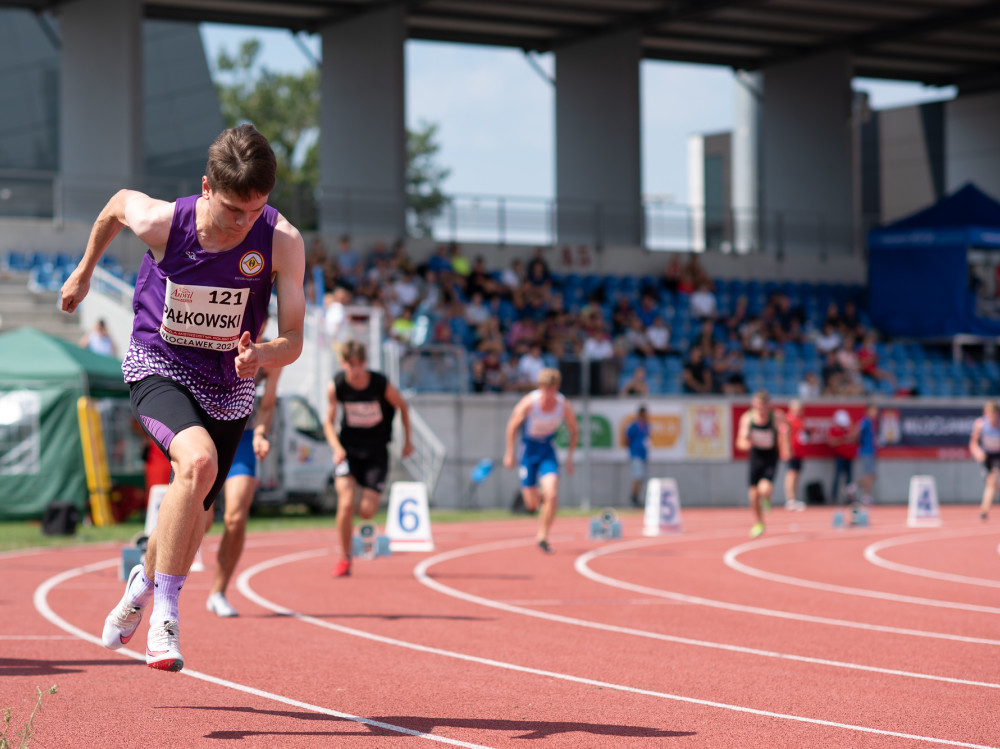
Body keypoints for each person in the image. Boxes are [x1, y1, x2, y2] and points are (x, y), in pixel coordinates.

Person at [61, 124, 306, 672]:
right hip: (159, 363)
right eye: (231, 211)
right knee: (197, 463)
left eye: (254, 210)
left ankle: (141, 586)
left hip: (230, 384)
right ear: (205, 187)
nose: (243, 224)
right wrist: (84, 271)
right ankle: (166, 615)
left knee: (196, 513)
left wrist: (262, 355)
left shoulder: (282, 240)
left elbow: (295, 339)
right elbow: (116, 205)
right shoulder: (164, 222)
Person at [323, 340, 414, 577]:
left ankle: (358, 539)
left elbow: (403, 406)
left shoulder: (380, 384)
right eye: (350, 364)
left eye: (360, 364)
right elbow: (328, 422)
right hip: (348, 451)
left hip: (376, 452)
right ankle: (344, 558)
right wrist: (336, 447)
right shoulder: (337, 385)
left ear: (365, 362)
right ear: (343, 363)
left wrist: (408, 441)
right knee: (345, 503)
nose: (355, 369)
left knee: (366, 511)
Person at [204, 359, 282, 617]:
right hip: (206, 432)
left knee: (236, 518)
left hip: (244, 438)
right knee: (200, 521)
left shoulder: (272, 356)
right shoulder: (219, 332)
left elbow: (268, 405)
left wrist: (261, 434)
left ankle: (218, 592)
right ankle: (155, 575)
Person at [503, 367, 579, 553]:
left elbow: (574, 431)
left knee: (552, 494)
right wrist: (510, 452)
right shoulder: (530, 403)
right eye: (545, 389)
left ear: (557, 388)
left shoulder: (563, 405)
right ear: (540, 387)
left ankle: (543, 536)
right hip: (528, 450)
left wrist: (569, 458)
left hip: (547, 450)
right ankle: (542, 497)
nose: (548, 394)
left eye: (552, 390)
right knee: (531, 504)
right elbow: (512, 426)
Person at [735, 391, 789, 538]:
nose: (760, 410)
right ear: (753, 405)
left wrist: (786, 447)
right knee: (753, 496)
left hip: (770, 456)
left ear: (768, 406)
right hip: (755, 456)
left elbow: (786, 429)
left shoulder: (776, 417)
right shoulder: (747, 419)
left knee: (764, 488)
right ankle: (759, 522)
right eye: (757, 406)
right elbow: (739, 442)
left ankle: (767, 498)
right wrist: (746, 443)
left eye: (763, 406)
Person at [968, 400, 1000, 522]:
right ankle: (984, 510)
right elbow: (973, 443)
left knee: (992, 481)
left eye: (994, 415)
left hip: (999, 454)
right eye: (989, 415)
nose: (991, 418)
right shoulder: (980, 424)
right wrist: (977, 452)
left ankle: (984, 511)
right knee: (990, 484)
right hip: (987, 456)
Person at [828, 409, 859, 504]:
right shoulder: (834, 430)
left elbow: (856, 440)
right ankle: (833, 498)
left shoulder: (849, 429)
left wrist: (853, 437)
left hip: (849, 457)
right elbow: (832, 442)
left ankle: (849, 499)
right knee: (837, 477)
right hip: (840, 457)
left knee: (849, 480)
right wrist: (843, 439)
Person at [782, 399, 807, 511]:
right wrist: (787, 450)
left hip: (799, 451)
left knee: (797, 474)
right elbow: (785, 435)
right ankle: (790, 499)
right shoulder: (788, 420)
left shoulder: (800, 420)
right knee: (791, 474)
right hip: (792, 451)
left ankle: (794, 498)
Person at [625, 405, 651, 508]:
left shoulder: (647, 426)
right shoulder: (634, 426)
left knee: (641, 478)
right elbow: (627, 438)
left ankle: (637, 498)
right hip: (636, 454)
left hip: (643, 455)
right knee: (637, 476)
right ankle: (633, 497)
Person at [857, 403, 880, 506]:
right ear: (868, 411)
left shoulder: (871, 422)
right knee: (869, 475)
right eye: (873, 410)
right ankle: (865, 496)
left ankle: (852, 487)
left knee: (872, 475)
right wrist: (858, 441)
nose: (875, 412)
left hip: (871, 451)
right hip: (866, 451)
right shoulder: (865, 421)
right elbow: (857, 431)